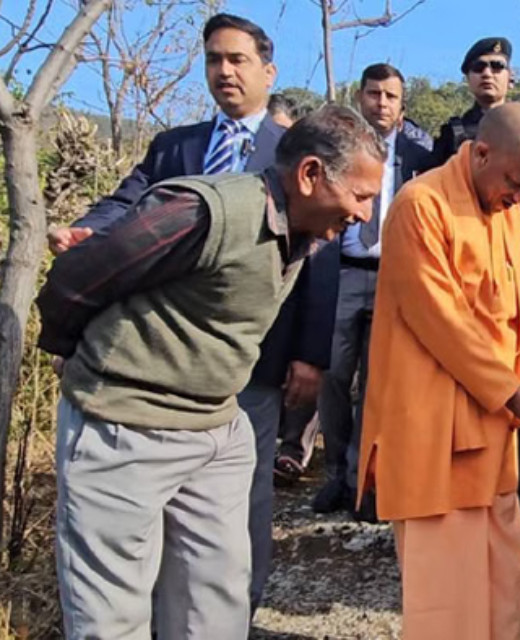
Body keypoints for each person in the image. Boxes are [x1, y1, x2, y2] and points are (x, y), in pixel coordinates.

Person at [37, 105, 385, 640]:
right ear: (310, 175)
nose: (364, 214)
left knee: (214, 608)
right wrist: (75, 355)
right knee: (112, 615)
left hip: (215, 427)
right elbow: (77, 278)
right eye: (360, 196)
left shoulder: (302, 227)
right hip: (124, 428)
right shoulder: (206, 211)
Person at [46, 13, 341, 611]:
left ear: (268, 69)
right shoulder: (175, 146)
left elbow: (322, 263)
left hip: (251, 360)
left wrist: (311, 355)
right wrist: (86, 233)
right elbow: (125, 207)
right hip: (158, 358)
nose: (224, 71)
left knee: (235, 510)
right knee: (151, 520)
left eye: (237, 59)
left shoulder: (293, 155)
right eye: (214, 60)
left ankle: (237, 610)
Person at [357, 103, 520, 640]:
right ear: (481, 153)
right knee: (443, 594)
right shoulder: (419, 205)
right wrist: (508, 389)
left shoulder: (511, 217)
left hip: (491, 427)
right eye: (517, 182)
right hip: (432, 429)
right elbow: (439, 317)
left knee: (501, 577)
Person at [309, 63, 434, 521]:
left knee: (378, 383)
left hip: (393, 279)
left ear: (402, 107)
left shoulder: (421, 157)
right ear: (359, 98)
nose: (381, 103)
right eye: (373, 94)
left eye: (391, 96)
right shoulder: (338, 151)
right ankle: (334, 476)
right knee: (334, 376)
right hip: (341, 272)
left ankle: (363, 479)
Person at [430, 37, 512, 166]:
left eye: (497, 66)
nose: (487, 74)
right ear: (468, 79)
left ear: (510, 77)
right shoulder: (452, 134)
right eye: (478, 67)